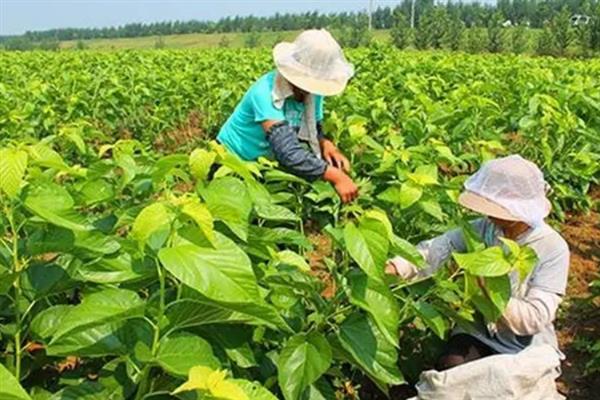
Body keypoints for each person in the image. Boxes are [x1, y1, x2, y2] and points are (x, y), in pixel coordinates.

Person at [386, 155, 570, 370]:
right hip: (478, 331)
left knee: (511, 384)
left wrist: (487, 289)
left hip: (525, 344)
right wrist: (394, 268)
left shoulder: (552, 248)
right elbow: (434, 251)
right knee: (453, 367)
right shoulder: (483, 228)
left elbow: (535, 318)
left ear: (517, 211)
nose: (486, 214)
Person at [217, 29, 358, 203]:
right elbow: (286, 151)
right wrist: (336, 176)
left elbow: (314, 128)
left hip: (264, 163)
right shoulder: (265, 93)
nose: (308, 90)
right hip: (232, 160)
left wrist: (326, 144)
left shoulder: (314, 92)